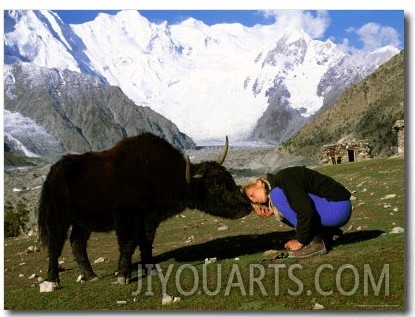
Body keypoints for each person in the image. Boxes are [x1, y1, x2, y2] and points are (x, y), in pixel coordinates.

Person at [242, 166, 352, 258]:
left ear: (259, 182)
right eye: (252, 200)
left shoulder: (283, 179)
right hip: (338, 207)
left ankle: (317, 242)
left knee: (277, 196)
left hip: (338, 207)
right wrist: (274, 209)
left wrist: (300, 241)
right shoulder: (281, 182)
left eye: (252, 195)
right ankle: (327, 233)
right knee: (278, 199)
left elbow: (306, 211)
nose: (254, 200)